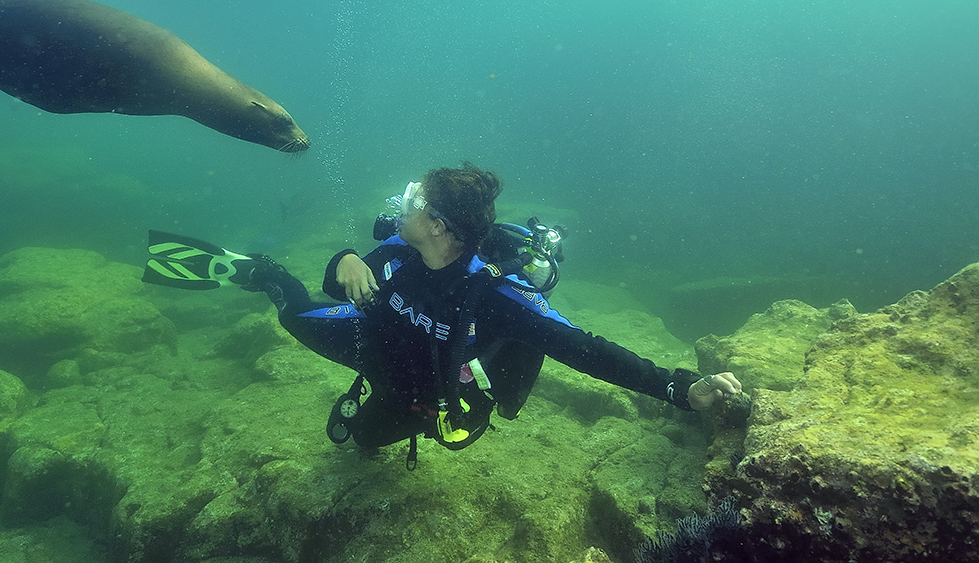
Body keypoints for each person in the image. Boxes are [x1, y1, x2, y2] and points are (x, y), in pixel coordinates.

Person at [144, 162, 742, 466]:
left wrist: (681, 387)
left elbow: (587, 350)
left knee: (366, 442)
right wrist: (346, 258)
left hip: (427, 386)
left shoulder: (497, 295)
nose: (401, 206)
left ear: (440, 226)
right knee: (293, 317)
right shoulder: (401, 249)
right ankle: (265, 272)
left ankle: (369, 417)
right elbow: (341, 282)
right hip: (370, 337)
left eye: (415, 202)